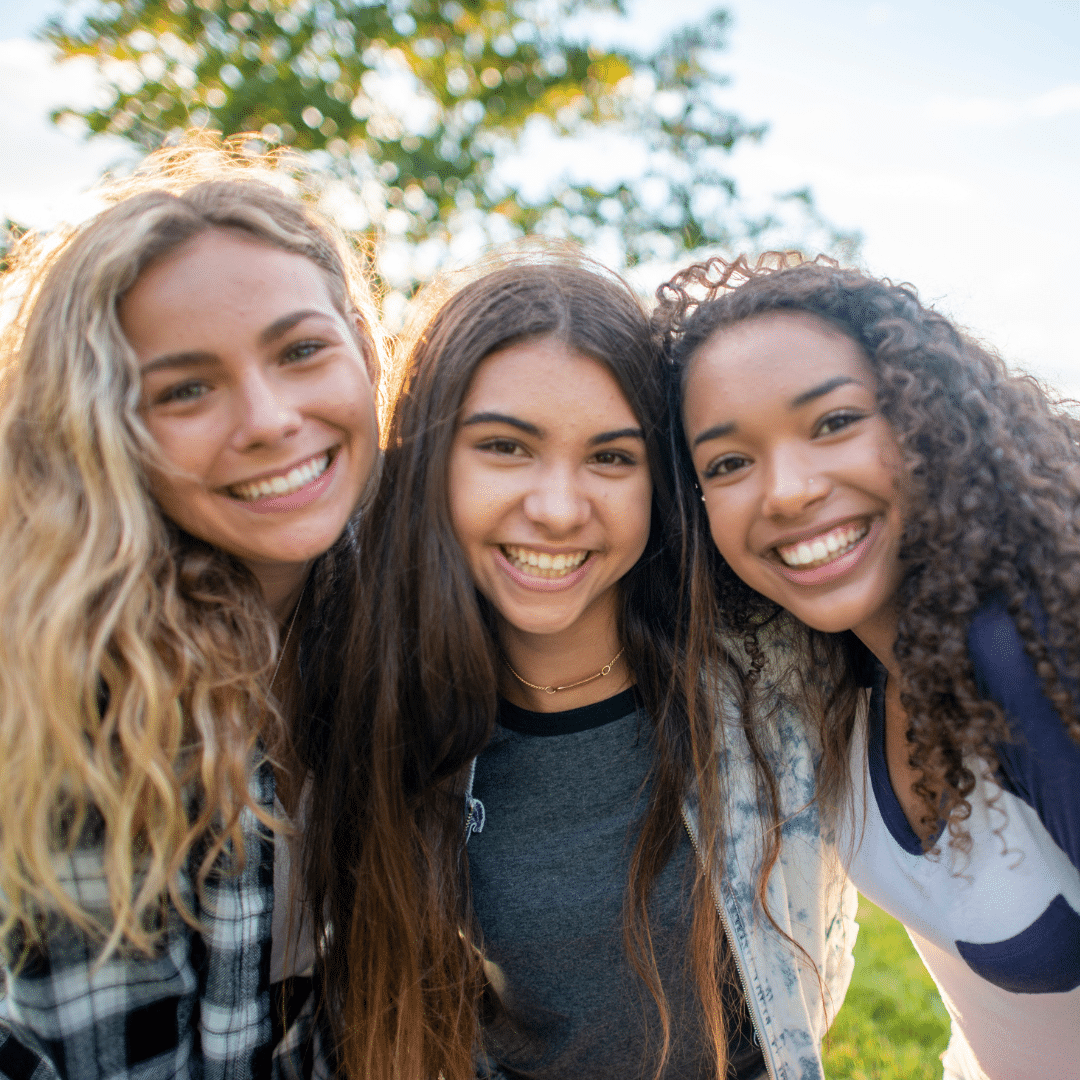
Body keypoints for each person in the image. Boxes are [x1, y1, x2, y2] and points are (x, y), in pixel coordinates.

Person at [300, 249, 856, 1080]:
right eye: (505, 447)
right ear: (428, 461)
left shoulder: (772, 666)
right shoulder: (381, 699)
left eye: (610, 457)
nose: (558, 509)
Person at [0, 145, 383, 1080]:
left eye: (301, 351)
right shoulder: (91, 696)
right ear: (104, 434)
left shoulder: (383, 604)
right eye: (186, 390)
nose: (267, 418)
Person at [661, 254, 1080, 1080]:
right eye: (729, 463)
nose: (785, 491)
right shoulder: (824, 675)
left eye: (833, 422)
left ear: (926, 421)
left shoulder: (1031, 645)